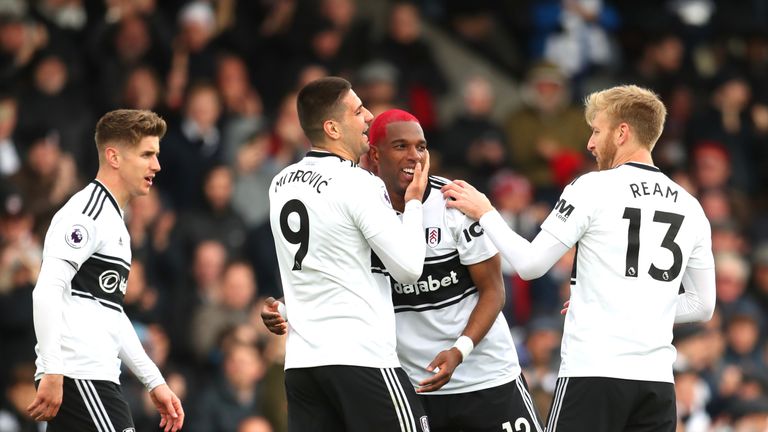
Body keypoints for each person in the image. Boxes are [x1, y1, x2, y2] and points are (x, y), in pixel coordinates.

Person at [441, 85, 716, 432]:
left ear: (622, 132)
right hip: (657, 383)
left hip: (593, 374)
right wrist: (626, 305)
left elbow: (529, 265)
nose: (589, 143)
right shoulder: (691, 206)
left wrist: (486, 212)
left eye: (596, 131)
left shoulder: (592, 188)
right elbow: (703, 305)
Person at [264, 109, 545, 432]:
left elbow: (494, 291)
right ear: (374, 155)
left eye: (421, 147)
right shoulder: (361, 204)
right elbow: (339, 280)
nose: (414, 156)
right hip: (416, 385)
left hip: (486, 376)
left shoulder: (454, 204)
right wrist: (285, 307)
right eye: (401, 147)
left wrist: (459, 350)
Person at [267, 77, 431, 431]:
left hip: (302, 366)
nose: (370, 117)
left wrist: (281, 305)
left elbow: (326, 263)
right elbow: (408, 268)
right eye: (358, 111)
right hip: (361, 358)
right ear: (332, 127)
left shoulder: (280, 183)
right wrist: (414, 201)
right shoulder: (358, 183)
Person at [27, 109, 184, 431]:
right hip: (81, 376)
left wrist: (154, 381)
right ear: (114, 156)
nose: (157, 165)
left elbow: (109, 313)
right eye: (147, 155)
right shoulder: (87, 214)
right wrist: (52, 368)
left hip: (90, 377)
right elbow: (46, 290)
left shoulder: (114, 220)